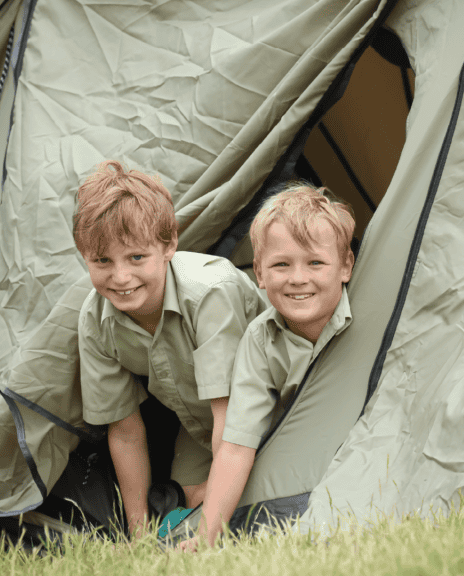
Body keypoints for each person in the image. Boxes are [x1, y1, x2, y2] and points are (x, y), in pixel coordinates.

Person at [74, 160, 266, 537]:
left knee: (230, 507)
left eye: (136, 257)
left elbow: (232, 419)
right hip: (199, 430)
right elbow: (126, 432)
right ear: (84, 256)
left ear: (169, 245)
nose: (121, 277)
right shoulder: (96, 321)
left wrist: (209, 530)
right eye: (102, 261)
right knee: (183, 505)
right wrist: (138, 533)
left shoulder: (210, 294)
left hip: (262, 417)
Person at [181, 182, 355, 551]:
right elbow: (236, 446)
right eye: (280, 264)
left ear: (346, 267)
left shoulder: (372, 309)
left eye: (315, 263)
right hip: (302, 466)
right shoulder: (260, 343)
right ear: (258, 273)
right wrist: (206, 537)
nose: (297, 278)